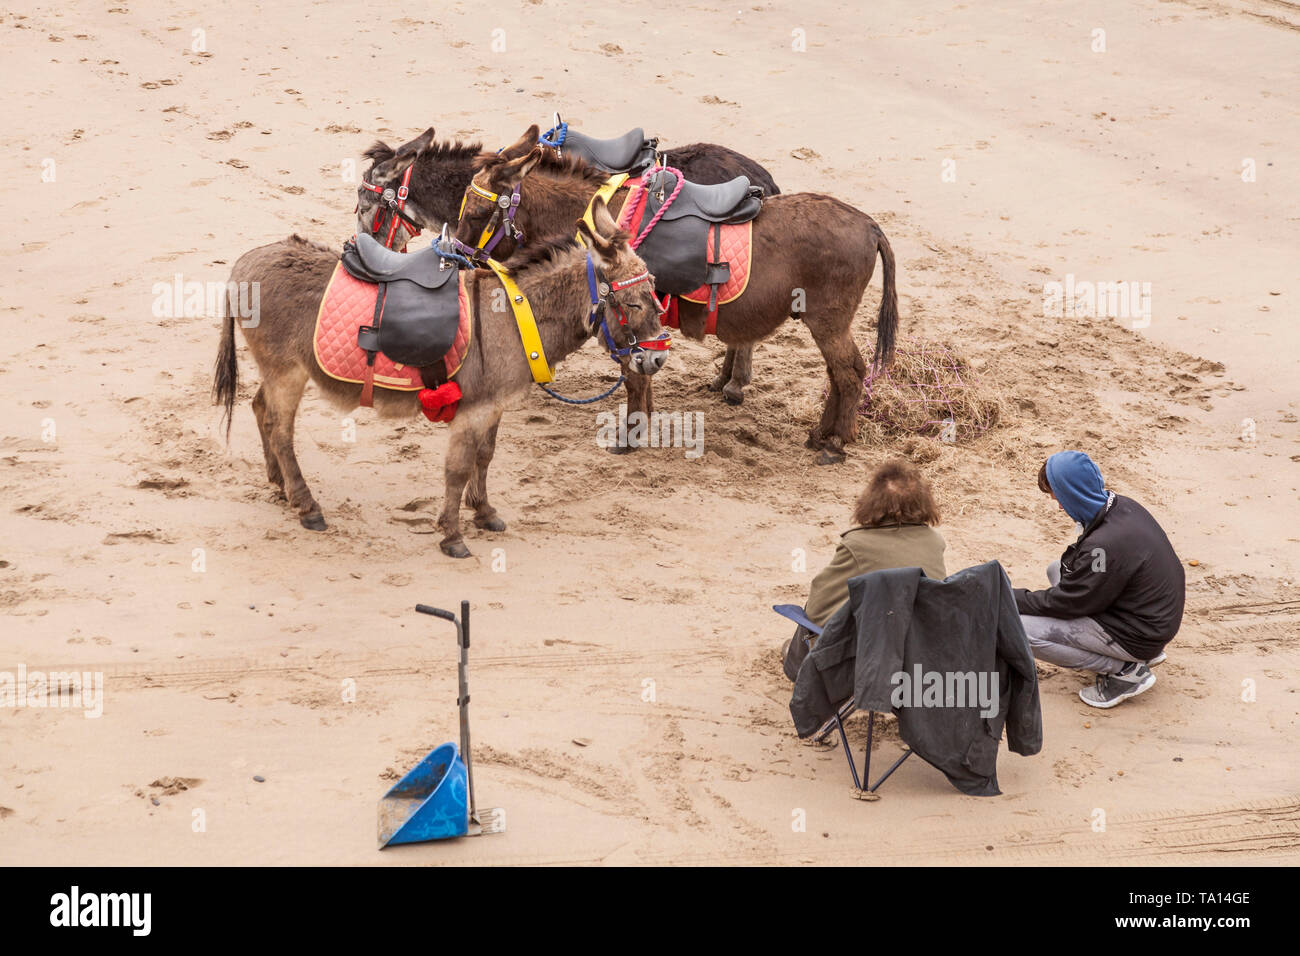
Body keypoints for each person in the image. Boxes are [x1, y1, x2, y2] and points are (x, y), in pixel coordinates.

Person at [1015, 450, 1185, 708]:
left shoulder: (1104, 545)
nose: (1059, 506)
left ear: (1073, 493)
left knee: (1020, 629)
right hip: (1153, 615)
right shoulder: (1120, 505)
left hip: (1140, 632)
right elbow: (1089, 581)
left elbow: (1067, 604)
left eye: (1059, 498)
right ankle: (1135, 654)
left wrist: (1008, 596)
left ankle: (1126, 670)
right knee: (1055, 570)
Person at [783, 459, 947, 679]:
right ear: (924, 502)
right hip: (919, 657)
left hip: (869, 659)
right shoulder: (935, 543)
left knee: (810, 612)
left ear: (872, 500)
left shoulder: (857, 545)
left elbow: (818, 608)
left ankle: (796, 669)